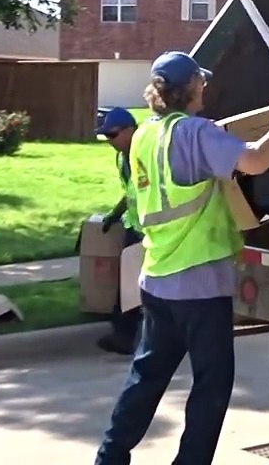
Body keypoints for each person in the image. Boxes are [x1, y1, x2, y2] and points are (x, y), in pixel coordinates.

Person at [95, 51, 269, 465]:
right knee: (211, 386)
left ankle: (110, 458)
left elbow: (192, 153)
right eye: (201, 83)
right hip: (200, 284)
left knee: (146, 377)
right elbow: (254, 160)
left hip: (158, 278)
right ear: (192, 88)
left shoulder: (146, 134)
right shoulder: (196, 134)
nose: (206, 87)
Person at [95, 106, 144, 356]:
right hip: (135, 226)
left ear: (130, 130)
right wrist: (115, 214)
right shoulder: (123, 156)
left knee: (134, 287)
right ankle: (125, 334)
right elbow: (131, 192)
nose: (110, 142)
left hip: (151, 230)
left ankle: (125, 337)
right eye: (106, 137)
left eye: (112, 135)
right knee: (129, 285)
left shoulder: (144, 153)